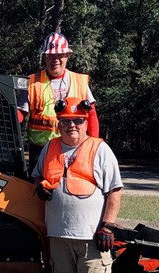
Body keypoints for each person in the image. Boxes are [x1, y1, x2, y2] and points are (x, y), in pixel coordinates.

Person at [31, 97, 123, 273]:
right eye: (66, 121)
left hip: (90, 238)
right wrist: (40, 186)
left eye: (78, 121)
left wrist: (107, 225)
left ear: (85, 123)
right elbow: (38, 176)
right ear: (59, 123)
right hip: (59, 236)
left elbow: (114, 190)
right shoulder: (50, 147)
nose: (72, 126)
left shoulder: (100, 149)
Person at [17, 32, 100, 178]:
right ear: (44, 57)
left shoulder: (79, 81)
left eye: (60, 55)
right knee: (39, 193)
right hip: (41, 151)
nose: (55, 60)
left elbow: (91, 114)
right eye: (50, 56)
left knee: (72, 189)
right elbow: (18, 115)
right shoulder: (31, 82)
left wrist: (93, 146)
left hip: (74, 148)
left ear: (67, 56)